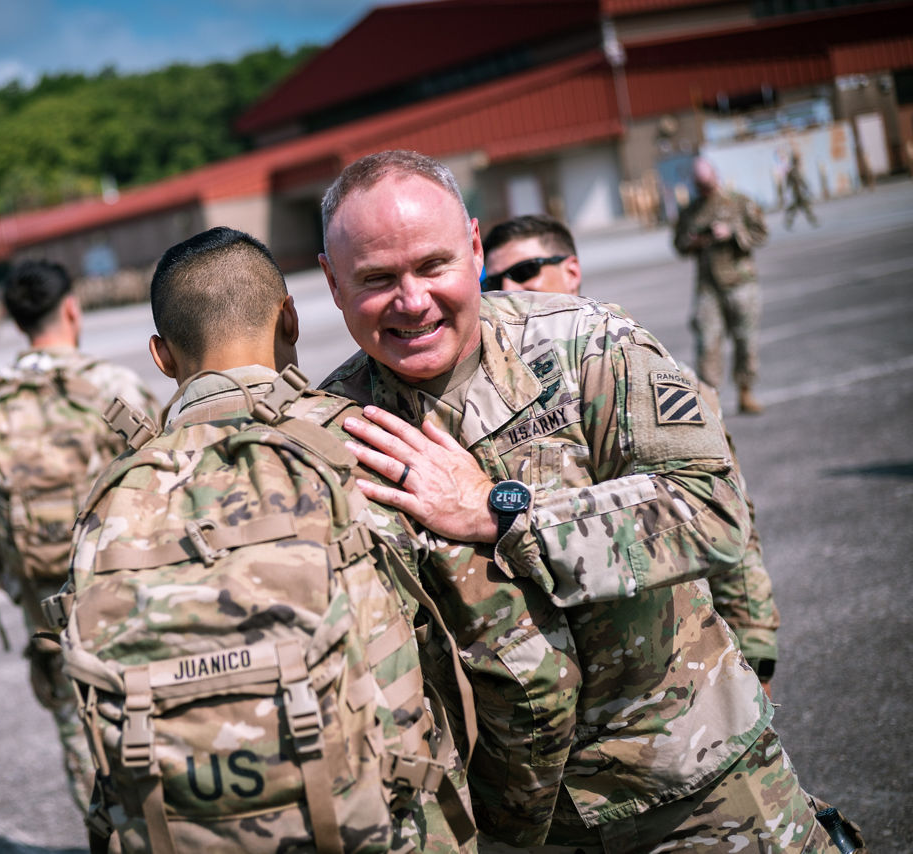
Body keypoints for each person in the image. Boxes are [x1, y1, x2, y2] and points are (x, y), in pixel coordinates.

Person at [316, 150, 830, 852]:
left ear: (473, 247)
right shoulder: (331, 428)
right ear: (332, 282)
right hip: (521, 827)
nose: (411, 301)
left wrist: (503, 514)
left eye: (433, 266)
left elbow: (713, 516)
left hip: (693, 789)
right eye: (376, 279)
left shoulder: (588, 346)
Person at [70, 224, 475, 852]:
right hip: (386, 824)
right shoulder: (365, 445)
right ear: (289, 319)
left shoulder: (114, 501)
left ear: (162, 356)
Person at [481, 213, 780, 694]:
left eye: (526, 270)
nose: (508, 287)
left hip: (672, 679)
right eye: (492, 280)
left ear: (572, 270)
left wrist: (756, 647)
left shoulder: (642, 370)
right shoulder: (487, 400)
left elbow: (725, 519)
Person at [0, 259, 161, 813]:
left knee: (76, 727)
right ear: (71, 308)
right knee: (152, 718)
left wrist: (5, 578)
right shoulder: (113, 387)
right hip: (126, 588)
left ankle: (104, 829)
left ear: (19, 323)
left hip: (43, 598)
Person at [673, 157, 769, 414]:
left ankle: (746, 392)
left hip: (740, 283)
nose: (703, 189)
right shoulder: (691, 211)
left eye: (707, 183)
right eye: (699, 185)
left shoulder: (739, 202)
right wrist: (694, 241)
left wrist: (733, 233)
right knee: (707, 344)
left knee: (745, 341)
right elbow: (679, 244)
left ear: (715, 176)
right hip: (708, 287)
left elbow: (761, 233)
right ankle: (711, 402)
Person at [783, 151, 818, 230]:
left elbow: (802, 182)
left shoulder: (795, 171)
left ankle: (813, 221)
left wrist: (807, 189)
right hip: (796, 195)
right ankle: (788, 223)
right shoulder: (792, 172)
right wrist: (787, 195)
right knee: (798, 209)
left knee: (804, 209)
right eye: (797, 161)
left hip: (799, 194)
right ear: (795, 162)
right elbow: (789, 184)